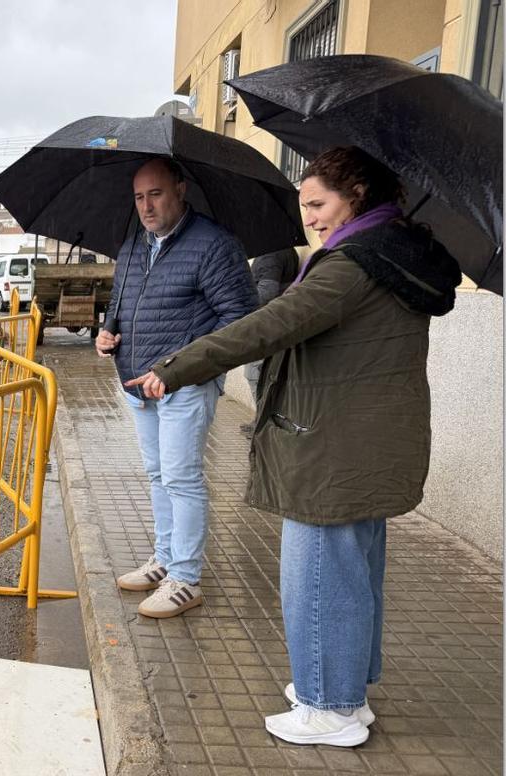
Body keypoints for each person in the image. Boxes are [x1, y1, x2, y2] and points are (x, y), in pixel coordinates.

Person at [123, 146, 461, 747]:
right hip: (362, 440)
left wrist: (175, 367)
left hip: (333, 447)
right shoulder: (391, 251)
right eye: (304, 205)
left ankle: (328, 707)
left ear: (356, 197)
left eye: (318, 204)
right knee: (354, 576)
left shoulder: (353, 263)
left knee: (318, 578)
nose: (309, 218)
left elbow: (270, 324)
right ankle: (346, 693)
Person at [94, 157, 257, 618]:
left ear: (180, 190)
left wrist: (180, 367)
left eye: (156, 194)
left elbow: (240, 319)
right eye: (139, 197)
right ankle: (164, 560)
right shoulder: (133, 246)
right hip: (138, 384)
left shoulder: (213, 245)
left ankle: (185, 578)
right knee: (158, 475)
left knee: (182, 479)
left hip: (185, 385)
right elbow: (120, 302)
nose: (146, 206)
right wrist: (107, 333)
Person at [240, 247, 299, 437]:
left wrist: (239, 304)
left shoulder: (270, 254)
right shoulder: (284, 250)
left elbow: (267, 291)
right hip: (276, 324)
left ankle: (263, 424)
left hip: (266, 326)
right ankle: (262, 420)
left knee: (255, 374)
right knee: (262, 376)